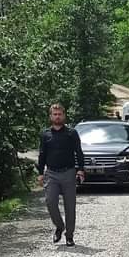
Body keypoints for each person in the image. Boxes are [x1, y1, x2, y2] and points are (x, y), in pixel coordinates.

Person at [37, 103, 85, 246]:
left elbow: (79, 152)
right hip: (51, 173)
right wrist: (40, 173)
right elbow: (42, 154)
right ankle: (59, 226)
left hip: (68, 172)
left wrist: (81, 169)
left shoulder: (71, 133)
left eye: (60, 114)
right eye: (55, 114)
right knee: (50, 202)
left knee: (70, 206)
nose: (57, 117)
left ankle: (69, 236)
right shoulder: (45, 134)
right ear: (50, 116)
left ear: (64, 115)